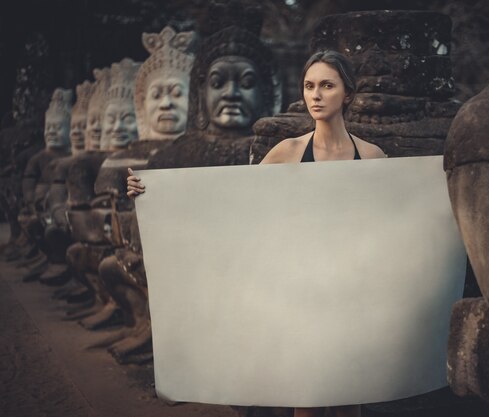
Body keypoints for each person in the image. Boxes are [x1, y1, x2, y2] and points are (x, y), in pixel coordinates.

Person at [126, 50, 386, 417]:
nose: (316, 95)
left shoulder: (373, 157)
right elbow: (234, 202)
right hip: (301, 291)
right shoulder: (288, 152)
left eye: (327, 85)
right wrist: (153, 192)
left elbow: (391, 226)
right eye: (309, 86)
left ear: (347, 94)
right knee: (308, 398)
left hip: (351, 291)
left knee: (350, 400)